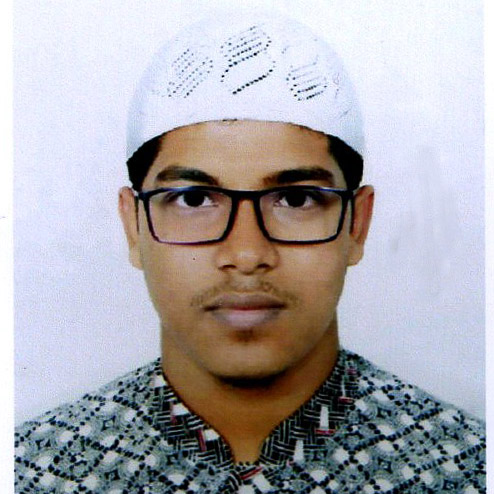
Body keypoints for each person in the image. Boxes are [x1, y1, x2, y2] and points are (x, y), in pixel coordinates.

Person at [15, 11, 485, 493]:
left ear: (356, 225)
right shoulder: (35, 473)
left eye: (296, 199)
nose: (245, 254)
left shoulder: (466, 469)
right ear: (134, 227)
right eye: (193, 199)